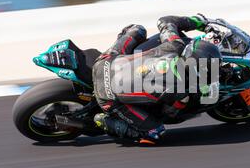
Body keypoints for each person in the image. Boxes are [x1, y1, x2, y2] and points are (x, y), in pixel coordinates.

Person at [92, 14, 219, 144]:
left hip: (105, 62)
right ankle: (104, 121)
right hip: (108, 98)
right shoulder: (180, 92)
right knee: (155, 133)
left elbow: (165, 21)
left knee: (137, 29)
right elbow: (170, 114)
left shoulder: (174, 45)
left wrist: (198, 22)